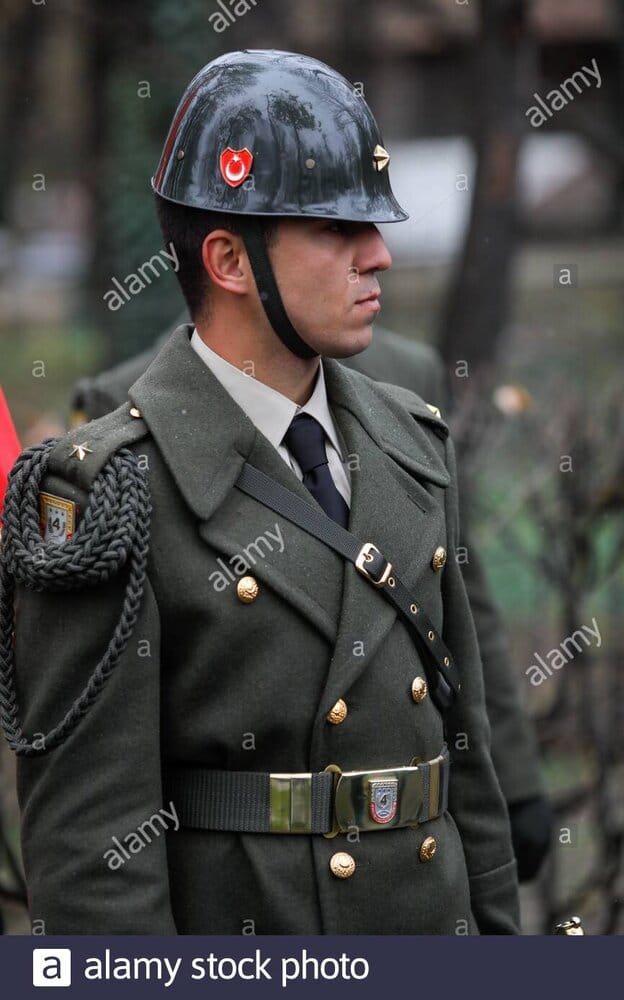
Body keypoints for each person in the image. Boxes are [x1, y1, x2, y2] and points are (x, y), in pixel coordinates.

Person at [1, 49, 520, 934]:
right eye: (337, 231)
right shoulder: (109, 494)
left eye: (375, 226)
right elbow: (95, 852)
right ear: (230, 261)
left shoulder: (412, 442)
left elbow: (461, 757)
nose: (381, 256)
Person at [71, 324, 553, 883]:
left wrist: (513, 782)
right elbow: (102, 789)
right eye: (327, 233)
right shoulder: (124, 404)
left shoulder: (407, 379)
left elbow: (457, 606)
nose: (376, 257)